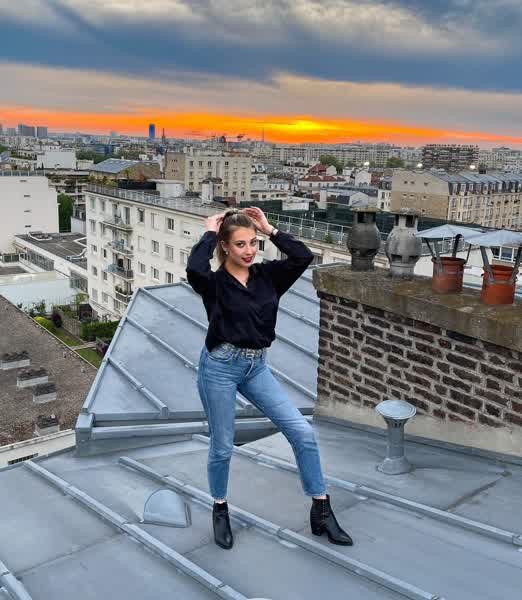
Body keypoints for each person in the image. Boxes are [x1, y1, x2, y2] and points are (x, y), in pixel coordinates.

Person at [186, 206, 353, 550]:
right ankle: (220, 509)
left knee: (302, 432)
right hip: (220, 368)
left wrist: (269, 228)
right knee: (222, 446)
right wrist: (209, 231)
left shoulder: (268, 276)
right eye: (241, 244)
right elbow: (194, 268)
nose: (249, 250)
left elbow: (303, 256)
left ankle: (321, 510)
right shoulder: (214, 284)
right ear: (225, 246)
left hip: (257, 367)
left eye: (253, 243)